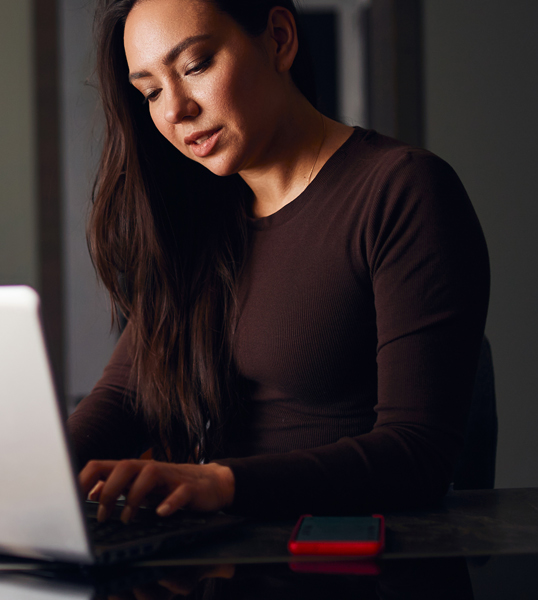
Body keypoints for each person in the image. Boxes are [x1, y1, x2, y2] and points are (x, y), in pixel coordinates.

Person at [68, 0, 489, 522]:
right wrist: (19, 472)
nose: (175, 109)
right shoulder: (203, 221)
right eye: (151, 91)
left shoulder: (402, 191)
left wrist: (221, 483)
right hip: (224, 563)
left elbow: (419, 454)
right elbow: (125, 395)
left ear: (280, 38)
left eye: (195, 66)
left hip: (350, 570)